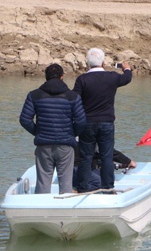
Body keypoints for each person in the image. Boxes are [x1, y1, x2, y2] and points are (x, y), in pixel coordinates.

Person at [19, 63, 86, 194]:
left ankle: (40, 212)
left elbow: (25, 119)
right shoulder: (73, 96)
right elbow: (81, 121)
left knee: (43, 183)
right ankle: (63, 211)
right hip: (65, 144)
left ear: (46, 77)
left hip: (43, 145)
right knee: (66, 184)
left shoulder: (34, 95)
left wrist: (38, 132)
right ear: (62, 77)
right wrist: (71, 134)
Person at [73, 48, 132, 193]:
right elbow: (127, 78)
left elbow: (74, 100)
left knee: (86, 156)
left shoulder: (82, 79)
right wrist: (127, 69)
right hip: (106, 123)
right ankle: (108, 187)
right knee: (106, 155)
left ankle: (82, 187)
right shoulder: (112, 77)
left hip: (87, 123)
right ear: (103, 62)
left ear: (87, 63)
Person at [72, 146, 137, 192]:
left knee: (109, 176)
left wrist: (119, 165)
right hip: (75, 170)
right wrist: (128, 161)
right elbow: (107, 151)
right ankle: (78, 191)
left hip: (87, 169)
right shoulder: (89, 136)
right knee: (101, 182)